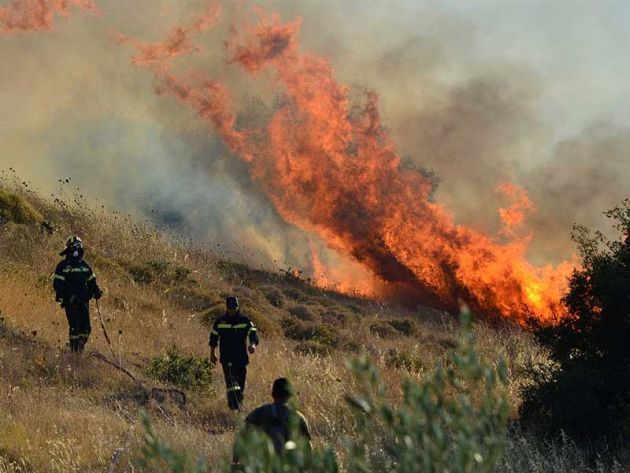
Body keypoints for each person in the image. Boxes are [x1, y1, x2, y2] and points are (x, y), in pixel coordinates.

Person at [232, 378, 312, 466]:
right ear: (290, 396)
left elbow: (242, 434)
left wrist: (235, 460)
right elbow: (307, 447)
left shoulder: (260, 412)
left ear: (273, 394)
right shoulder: (298, 417)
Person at [53, 235, 102, 353]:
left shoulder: (84, 266)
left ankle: (80, 348)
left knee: (86, 329)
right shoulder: (63, 266)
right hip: (70, 301)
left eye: (78, 245)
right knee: (75, 327)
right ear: (69, 248)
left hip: (84, 300)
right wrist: (61, 296)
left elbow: (91, 281)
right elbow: (57, 283)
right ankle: (74, 351)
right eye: (74, 245)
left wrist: (96, 291)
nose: (76, 248)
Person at [210, 296, 259, 410]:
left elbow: (253, 334)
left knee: (240, 384)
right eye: (230, 308)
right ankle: (234, 407)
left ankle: (238, 404)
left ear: (238, 307)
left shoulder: (245, 320)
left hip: (241, 358)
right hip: (227, 357)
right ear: (226, 308)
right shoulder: (220, 321)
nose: (232, 310)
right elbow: (213, 338)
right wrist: (212, 354)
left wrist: (252, 344)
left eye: (234, 307)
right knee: (231, 382)